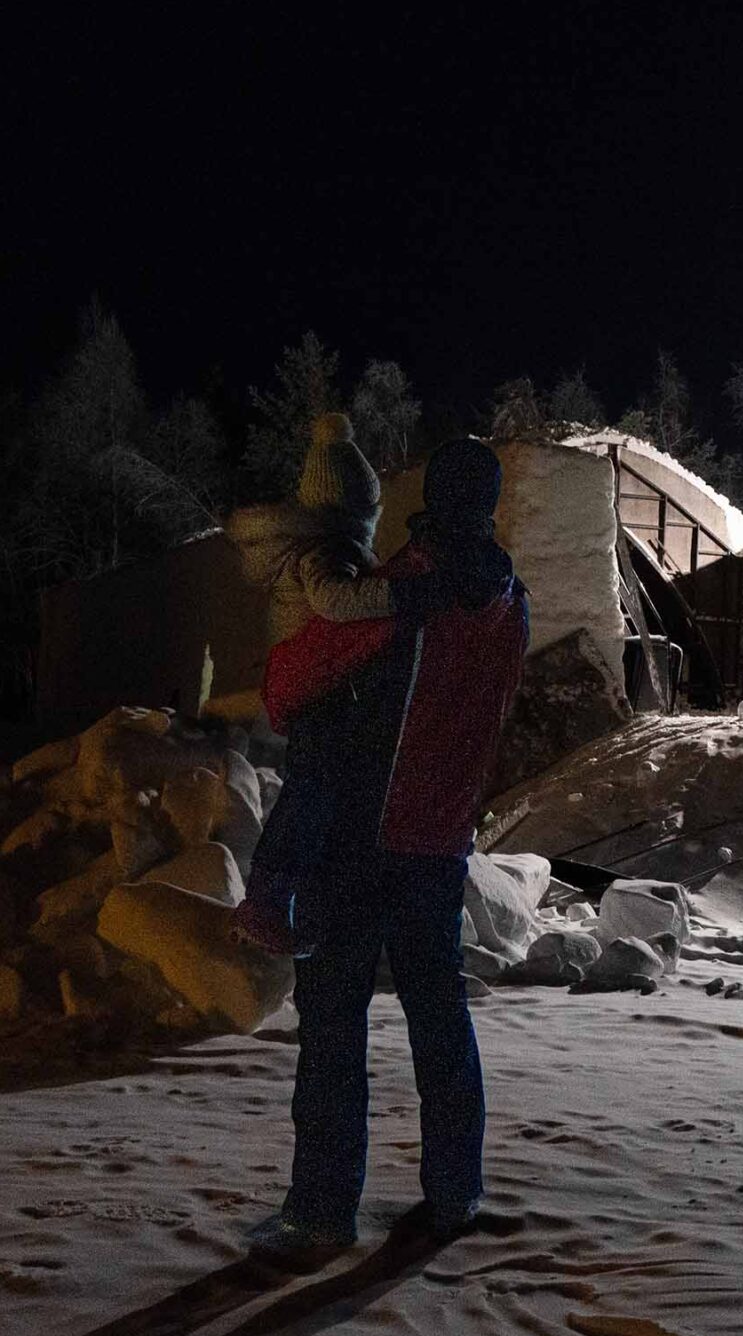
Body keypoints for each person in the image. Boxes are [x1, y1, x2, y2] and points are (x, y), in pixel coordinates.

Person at [246, 437, 528, 1256]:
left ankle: (320, 1211)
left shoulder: (400, 591)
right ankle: (454, 1193)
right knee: (440, 1020)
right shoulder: (512, 602)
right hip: (440, 842)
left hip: (358, 842)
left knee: (334, 1026)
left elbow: (286, 687)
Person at [227, 413, 446, 953]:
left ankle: (298, 910)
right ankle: (265, 904)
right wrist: (401, 595)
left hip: (319, 690)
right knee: (311, 797)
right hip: (323, 692)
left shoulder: (326, 544)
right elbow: (335, 601)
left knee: (322, 799)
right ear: (349, 507)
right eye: (367, 508)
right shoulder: (327, 549)